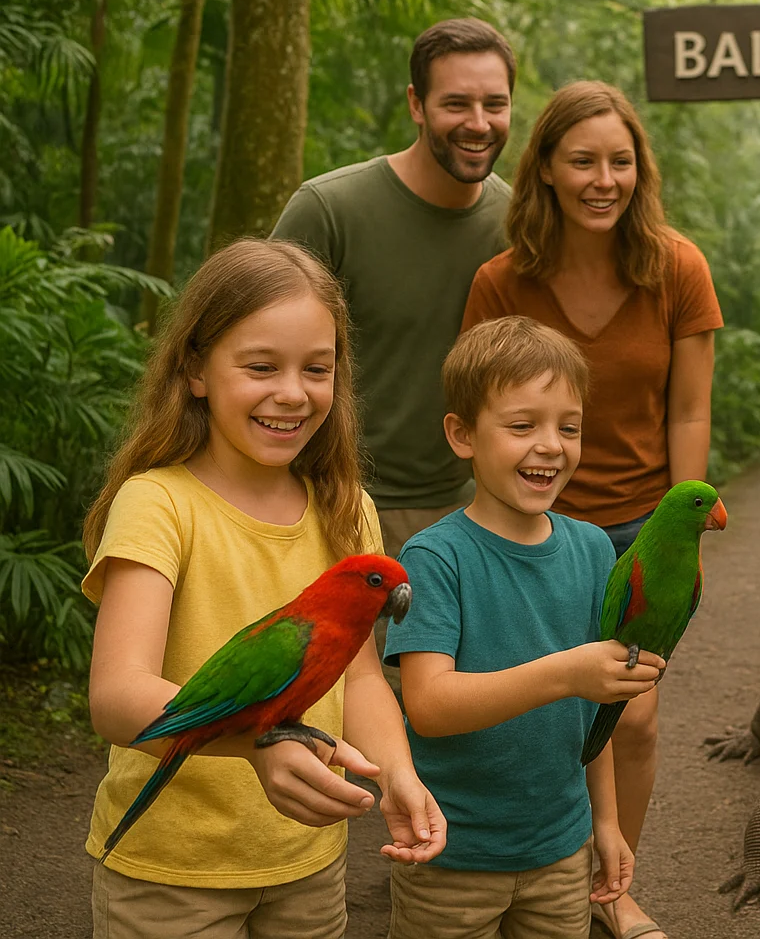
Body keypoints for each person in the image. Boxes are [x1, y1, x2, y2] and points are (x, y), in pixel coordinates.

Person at [83, 240, 445, 939]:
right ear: (194, 368)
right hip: (172, 874)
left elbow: (362, 676)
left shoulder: (347, 508)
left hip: (307, 867)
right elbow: (117, 695)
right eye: (260, 366)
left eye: (318, 369)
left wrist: (397, 770)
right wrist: (258, 743)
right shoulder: (159, 504)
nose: (292, 392)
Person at [460, 80, 722, 939]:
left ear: (639, 170)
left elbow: (689, 409)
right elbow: (481, 413)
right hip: (530, 527)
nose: (603, 178)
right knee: (531, 702)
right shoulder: (501, 281)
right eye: (582, 161)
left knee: (630, 715)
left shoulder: (676, 266)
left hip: (638, 531)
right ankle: (513, 873)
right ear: (545, 171)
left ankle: (611, 885)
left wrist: (676, 537)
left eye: (620, 160)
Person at [384, 315, 663, 938]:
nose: (551, 445)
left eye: (570, 427)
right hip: (451, 856)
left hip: (561, 852)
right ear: (462, 435)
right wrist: (567, 673)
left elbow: (599, 719)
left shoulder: (594, 551)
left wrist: (606, 824)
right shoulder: (435, 558)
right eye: (522, 426)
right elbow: (428, 705)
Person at [271, 17, 515, 558]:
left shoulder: (518, 224)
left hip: (478, 511)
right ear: (416, 104)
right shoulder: (329, 210)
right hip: (338, 506)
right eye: (456, 104)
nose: (478, 123)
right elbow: (246, 352)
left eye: (494, 105)